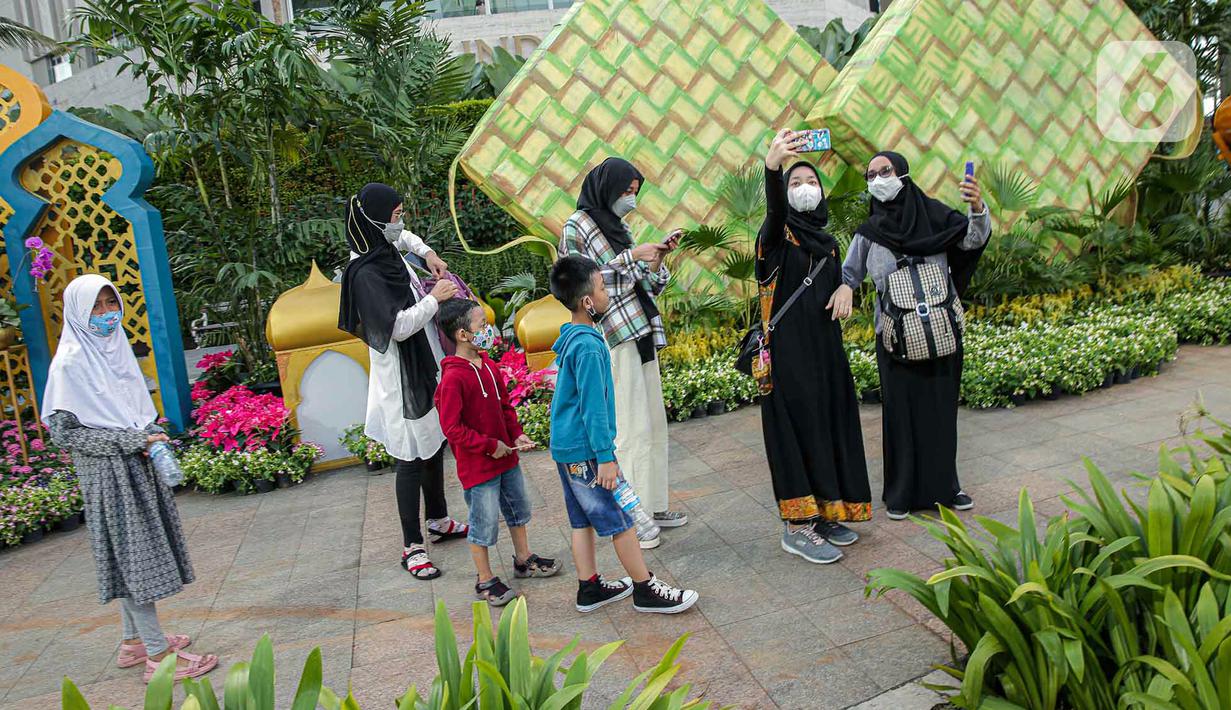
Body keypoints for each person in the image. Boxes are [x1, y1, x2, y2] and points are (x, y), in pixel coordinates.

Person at [43, 275, 218, 683]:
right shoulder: (71, 361)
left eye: (111, 303)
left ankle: (133, 643)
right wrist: (132, 438)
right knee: (133, 559)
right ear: (77, 314)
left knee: (131, 554)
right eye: (96, 308)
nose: (107, 314)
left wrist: (142, 437)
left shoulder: (113, 350)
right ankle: (158, 657)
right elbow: (65, 432)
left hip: (135, 461)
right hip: (109, 474)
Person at [835, 151, 991, 519]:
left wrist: (978, 207)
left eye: (884, 171)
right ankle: (901, 493)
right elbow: (849, 273)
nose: (877, 180)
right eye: (870, 175)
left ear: (902, 173)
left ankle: (947, 489)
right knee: (901, 416)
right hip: (895, 338)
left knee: (940, 413)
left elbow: (973, 240)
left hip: (940, 333)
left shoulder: (936, 216)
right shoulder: (869, 232)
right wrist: (845, 288)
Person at [548, 255, 699, 615]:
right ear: (587, 301)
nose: (606, 294)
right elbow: (592, 407)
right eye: (601, 289)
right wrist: (605, 457)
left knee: (581, 520)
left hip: (567, 448)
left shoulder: (572, 336)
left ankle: (589, 588)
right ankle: (645, 588)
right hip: (586, 450)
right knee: (621, 518)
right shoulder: (588, 346)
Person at [338, 182, 469, 580]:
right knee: (410, 458)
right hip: (399, 380)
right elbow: (396, 327)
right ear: (375, 221)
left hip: (423, 364)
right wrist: (436, 298)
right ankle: (412, 546)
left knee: (432, 443)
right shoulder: (366, 273)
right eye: (394, 217)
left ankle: (439, 520)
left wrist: (427, 254)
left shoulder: (385, 247)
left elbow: (407, 238)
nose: (401, 224)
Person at [756, 129, 872, 565]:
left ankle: (824, 512)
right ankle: (796, 525)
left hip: (825, 350)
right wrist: (773, 167)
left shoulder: (828, 241)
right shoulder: (776, 238)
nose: (805, 189)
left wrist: (846, 286)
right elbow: (772, 213)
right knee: (796, 431)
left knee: (826, 425)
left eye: (811, 183)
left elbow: (834, 284)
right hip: (789, 356)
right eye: (796, 184)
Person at [558, 157, 686, 549]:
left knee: (652, 424)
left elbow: (644, 284)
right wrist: (632, 258)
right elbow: (581, 281)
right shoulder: (576, 226)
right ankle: (633, 515)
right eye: (625, 191)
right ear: (606, 187)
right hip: (612, 336)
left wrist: (657, 258)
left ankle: (653, 503)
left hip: (642, 329)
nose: (630, 199)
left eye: (634, 192)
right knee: (629, 427)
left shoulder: (620, 226)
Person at [434, 298, 563, 606]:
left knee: (518, 510)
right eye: (482, 325)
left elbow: (505, 408)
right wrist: (490, 446)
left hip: (508, 460)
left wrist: (516, 435)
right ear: (463, 335)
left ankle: (523, 559)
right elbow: (452, 429)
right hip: (479, 470)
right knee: (484, 522)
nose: (488, 330)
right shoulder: (453, 378)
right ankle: (484, 579)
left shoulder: (489, 366)